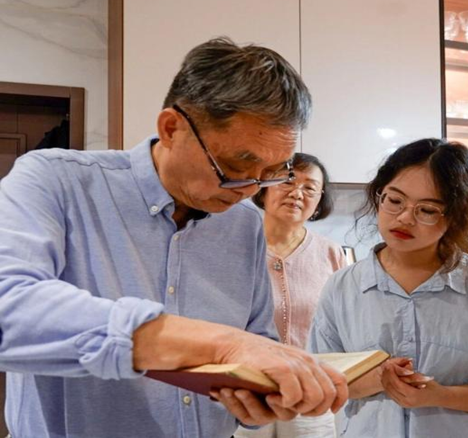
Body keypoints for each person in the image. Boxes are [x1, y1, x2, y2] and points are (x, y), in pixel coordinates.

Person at [0, 37, 347, 438]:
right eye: (236, 166)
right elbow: (10, 309)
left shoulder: (245, 226)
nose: (250, 189)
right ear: (171, 128)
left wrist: (264, 394)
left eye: (272, 173)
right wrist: (218, 345)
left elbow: (256, 342)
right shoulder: (57, 180)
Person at [308, 138, 468, 438]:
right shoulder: (342, 288)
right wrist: (379, 378)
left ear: (455, 217)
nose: (404, 218)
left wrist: (442, 395)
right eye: (395, 200)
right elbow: (322, 381)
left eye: (427, 210)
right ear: (379, 195)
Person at [236, 152, 346, 438]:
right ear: (264, 188)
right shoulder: (236, 247)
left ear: (319, 200)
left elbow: (341, 323)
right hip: (247, 388)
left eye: (310, 188)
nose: (297, 193)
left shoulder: (330, 253)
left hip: (310, 390)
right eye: (287, 181)